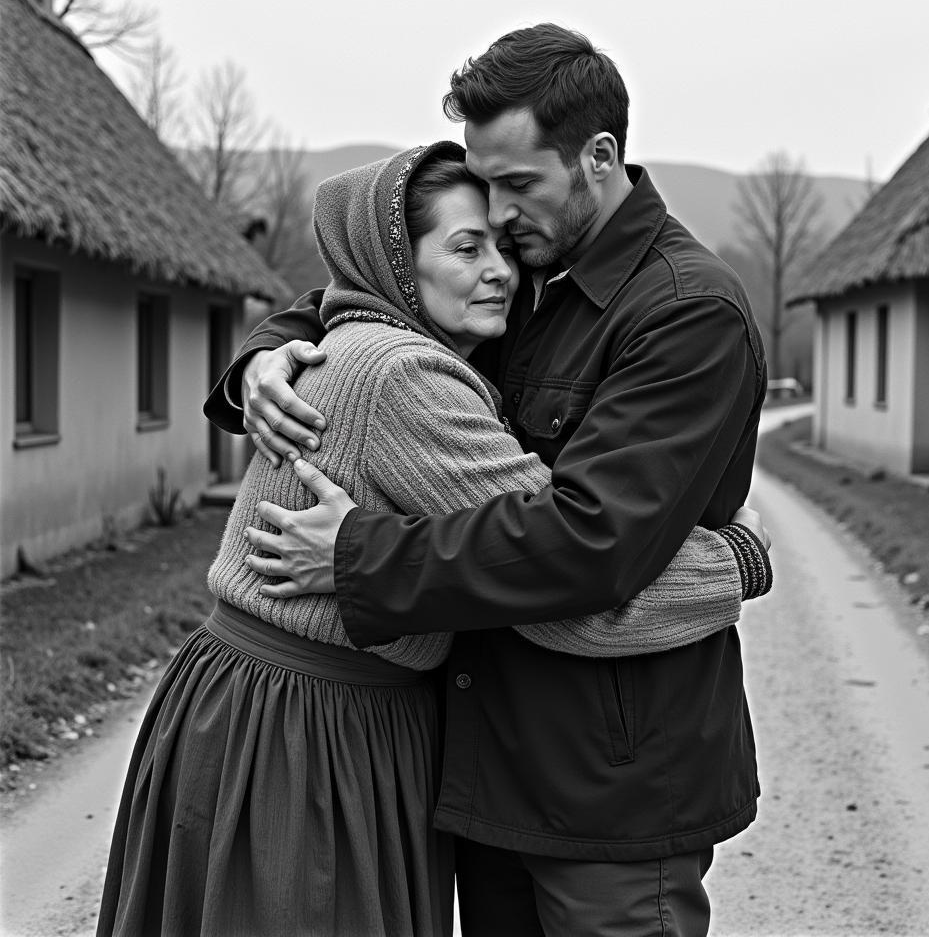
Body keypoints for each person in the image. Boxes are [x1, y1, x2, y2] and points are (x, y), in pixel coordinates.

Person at [101, 141, 770, 936]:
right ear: (391, 264)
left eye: (502, 241)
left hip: (255, 712)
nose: (503, 269)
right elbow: (569, 592)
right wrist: (736, 560)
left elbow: (556, 560)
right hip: (309, 734)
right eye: (467, 246)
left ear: (599, 157)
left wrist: (261, 357)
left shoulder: (394, 340)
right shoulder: (406, 376)